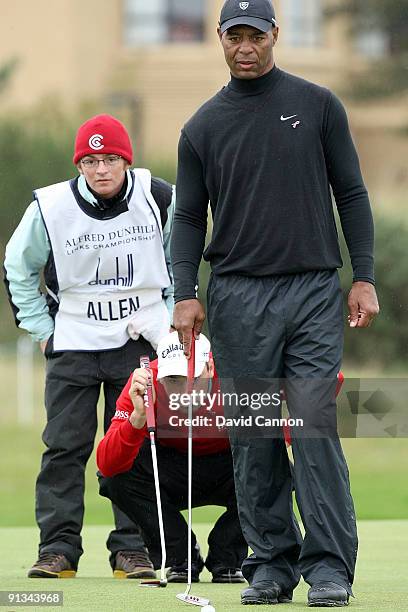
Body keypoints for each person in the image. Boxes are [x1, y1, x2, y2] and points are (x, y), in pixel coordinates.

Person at [171, 0, 380, 607]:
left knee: (312, 427)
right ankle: (271, 563)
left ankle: (330, 567)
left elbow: (353, 192)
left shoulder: (318, 106)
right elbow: (187, 218)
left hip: (313, 290)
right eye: (233, 36)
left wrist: (362, 276)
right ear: (220, 40)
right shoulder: (202, 127)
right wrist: (185, 293)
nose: (245, 46)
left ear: (274, 36)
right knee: (255, 434)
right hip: (237, 295)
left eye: (254, 36)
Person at [4, 114, 175, 579]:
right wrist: (43, 329)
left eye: (111, 159)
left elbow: (181, 259)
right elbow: (17, 267)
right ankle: (58, 549)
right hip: (74, 343)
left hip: (138, 342)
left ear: (127, 160)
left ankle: (132, 548)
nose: (101, 169)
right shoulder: (49, 207)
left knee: (136, 444)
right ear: (79, 164)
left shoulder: (159, 197)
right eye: (91, 160)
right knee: (64, 447)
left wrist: (171, 327)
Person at [97, 331, 247, 583]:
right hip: (170, 467)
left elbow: (328, 382)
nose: (184, 391)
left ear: (210, 367)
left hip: (229, 464)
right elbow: (108, 465)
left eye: (192, 378)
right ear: (160, 375)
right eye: (174, 380)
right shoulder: (146, 382)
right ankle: (181, 556)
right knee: (115, 479)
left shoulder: (238, 377)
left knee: (280, 471)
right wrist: (137, 418)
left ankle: (227, 555)